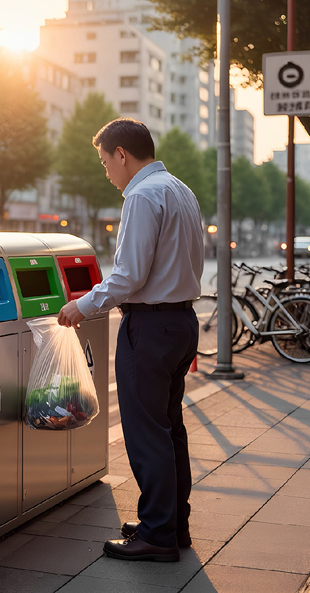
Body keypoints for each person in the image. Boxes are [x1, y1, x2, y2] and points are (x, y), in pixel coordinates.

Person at [57, 118, 204, 563]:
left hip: (152, 328)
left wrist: (81, 305)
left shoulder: (141, 196)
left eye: (105, 161)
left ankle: (158, 535)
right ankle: (172, 524)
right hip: (181, 324)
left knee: (146, 434)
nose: (105, 172)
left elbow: (129, 275)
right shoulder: (181, 189)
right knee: (169, 429)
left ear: (122, 154)